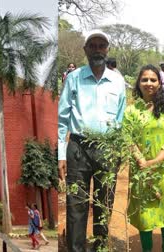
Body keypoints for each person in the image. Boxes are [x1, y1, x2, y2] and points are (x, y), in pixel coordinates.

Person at [58, 29, 126, 252]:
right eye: (93, 45)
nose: (97, 49)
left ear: (107, 49)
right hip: (78, 148)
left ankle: (100, 247)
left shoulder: (117, 81)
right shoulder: (74, 78)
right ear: (85, 49)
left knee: (104, 204)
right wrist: (61, 154)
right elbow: (62, 119)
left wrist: (118, 150)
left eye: (101, 45)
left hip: (107, 149)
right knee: (76, 205)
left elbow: (120, 119)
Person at [123, 64, 164, 252]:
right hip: (141, 172)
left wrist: (154, 162)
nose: (149, 83)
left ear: (160, 83)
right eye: (144, 79)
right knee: (144, 214)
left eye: (153, 79)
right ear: (138, 84)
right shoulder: (131, 111)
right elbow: (127, 137)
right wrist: (141, 161)